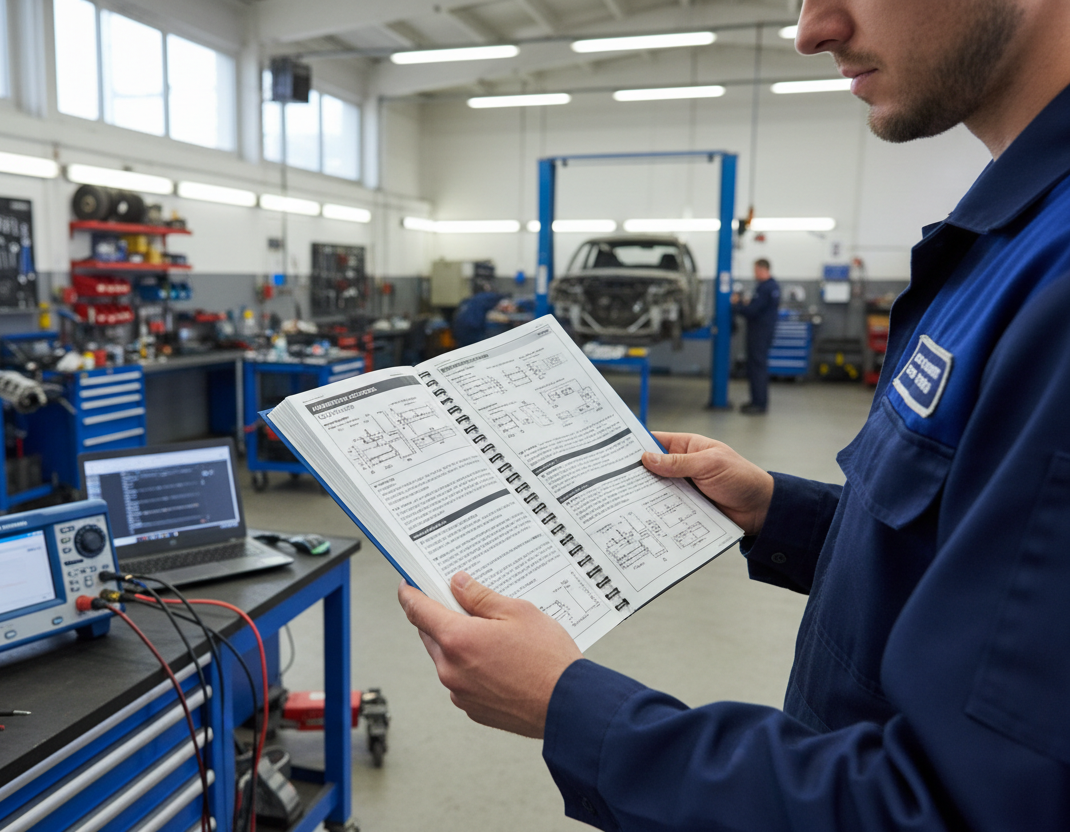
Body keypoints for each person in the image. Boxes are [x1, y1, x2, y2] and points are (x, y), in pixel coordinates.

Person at [398, 0, 1070, 828]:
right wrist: (778, 511)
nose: (810, 30)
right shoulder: (1009, 240)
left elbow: (954, 809)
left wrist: (566, 704)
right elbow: (956, 563)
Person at [733, 258, 781, 414]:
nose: (754, 274)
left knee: (757, 367)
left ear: (762, 269)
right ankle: (756, 401)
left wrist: (736, 305)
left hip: (760, 333)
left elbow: (752, 311)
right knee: (756, 367)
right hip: (762, 332)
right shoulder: (771, 286)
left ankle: (759, 404)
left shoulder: (765, 288)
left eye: (755, 270)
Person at [451, 282, 506, 346]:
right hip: (472, 329)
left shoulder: (467, 301)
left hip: (459, 330)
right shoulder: (482, 297)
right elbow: (497, 297)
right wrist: (506, 295)